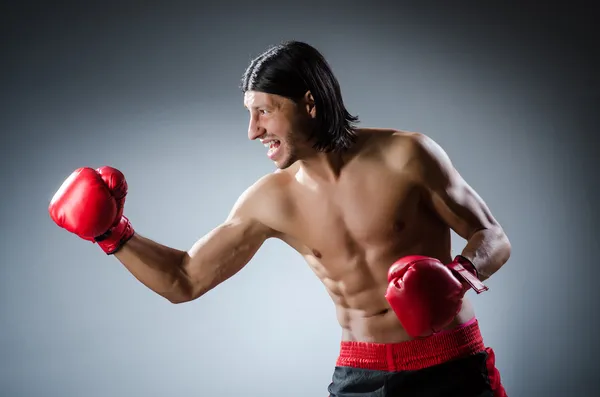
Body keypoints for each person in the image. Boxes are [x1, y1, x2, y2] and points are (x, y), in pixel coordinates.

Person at [48, 41, 512, 396]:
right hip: (363, 374)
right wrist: (114, 235)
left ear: (308, 103)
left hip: (449, 361)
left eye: (264, 112)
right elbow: (184, 280)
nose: (253, 131)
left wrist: (460, 275)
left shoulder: (407, 155)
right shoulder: (270, 200)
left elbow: (491, 235)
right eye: (250, 115)